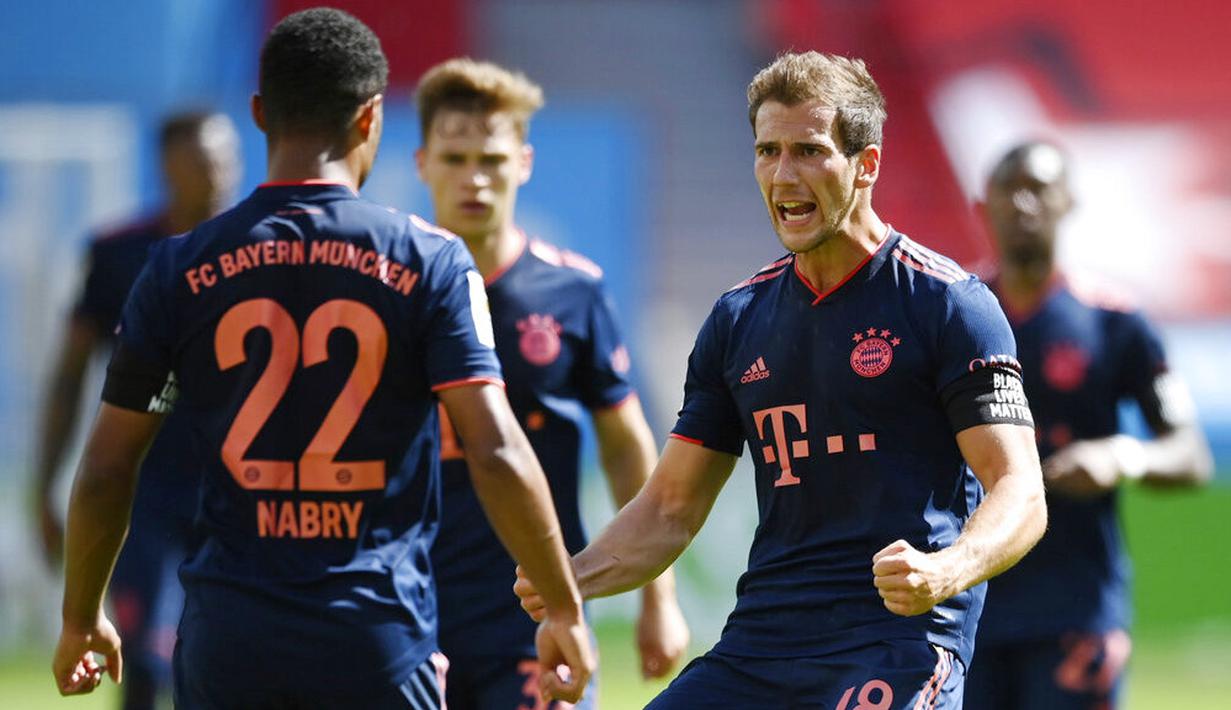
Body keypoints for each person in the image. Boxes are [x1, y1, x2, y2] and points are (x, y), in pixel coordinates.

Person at [51, 8, 594, 708]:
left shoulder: (176, 267)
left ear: (257, 113)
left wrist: (79, 616)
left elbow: (105, 465)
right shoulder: (428, 260)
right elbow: (494, 450)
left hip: (227, 642)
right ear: (370, 119)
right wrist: (563, 609)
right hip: (375, 641)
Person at [516, 51, 1048, 708]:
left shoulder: (948, 305)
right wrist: (566, 583)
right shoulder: (737, 320)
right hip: (759, 646)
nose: (782, 174)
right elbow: (669, 508)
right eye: (767, 151)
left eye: (808, 150)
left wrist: (946, 569)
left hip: (896, 642)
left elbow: (1020, 490)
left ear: (866, 165)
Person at [413, 58, 690, 708]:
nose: (474, 178)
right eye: (455, 158)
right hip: (408, 611)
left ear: (525, 163)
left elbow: (626, 448)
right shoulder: (394, 290)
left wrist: (658, 597)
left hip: (533, 606)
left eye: (492, 158)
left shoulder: (571, 290)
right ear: (423, 162)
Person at [966, 141, 1213, 710]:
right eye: (1010, 189)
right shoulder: (956, 316)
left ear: (1069, 202)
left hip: (1074, 607)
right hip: (969, 603)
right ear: (985, 206)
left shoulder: (1114, 322)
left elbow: (1190, 453)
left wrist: (1122, 457)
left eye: (1040, 188)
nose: (1025, 204)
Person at [32, 109, 240, 709]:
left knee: (233, 665)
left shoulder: (263, 252)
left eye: (226, 159)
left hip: (239, 492)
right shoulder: (122, 255)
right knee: (144, 664)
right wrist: (46, 486)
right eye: (204, 160)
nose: (218, 173)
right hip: (144, 496)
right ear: (168, 166)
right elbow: (70, 373)